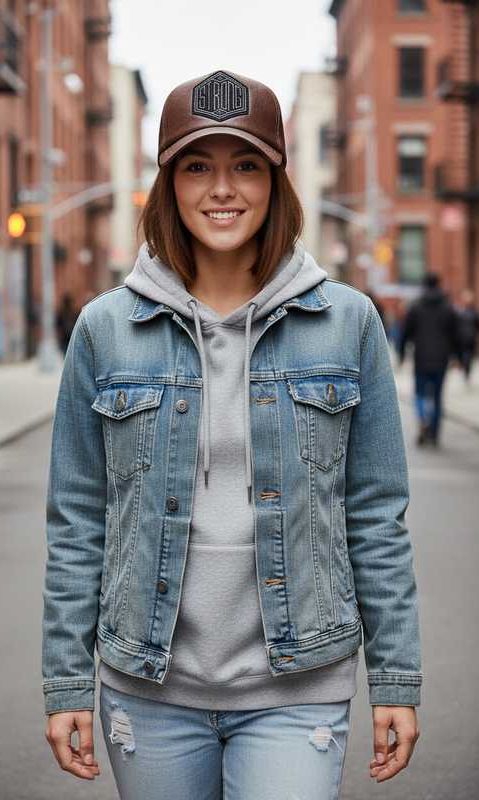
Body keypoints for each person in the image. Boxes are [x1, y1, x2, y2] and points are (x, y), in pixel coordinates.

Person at [43, 71, 421, 800]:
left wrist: (396, 677)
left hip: (299, 684)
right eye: (197, 166)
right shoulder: (103, 329)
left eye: (246, 164)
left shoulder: (348, 322)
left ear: (276, 180)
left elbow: (377, 516)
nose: (222, 188)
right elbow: (78, 520)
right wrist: (64, 681)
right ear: (168, 184)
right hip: (147, 687)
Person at [400, 272, 460, 446]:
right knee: (437, 396)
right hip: (441, 358)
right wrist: (458, 356)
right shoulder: (448, 307)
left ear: (424, 284)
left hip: (421, 357)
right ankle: (434, 436)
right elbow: (455, 334)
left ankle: (424, 416)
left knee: (419, 392)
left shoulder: (416, 307)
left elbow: (406, 332)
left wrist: (402, 353)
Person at [455, 288, 478, 381]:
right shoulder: (459, 311)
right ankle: (463, 367)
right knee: (463, 355)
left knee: (469, 356)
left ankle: (467, 371)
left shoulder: (473, 312)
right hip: (461, 338)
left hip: (470, 338)